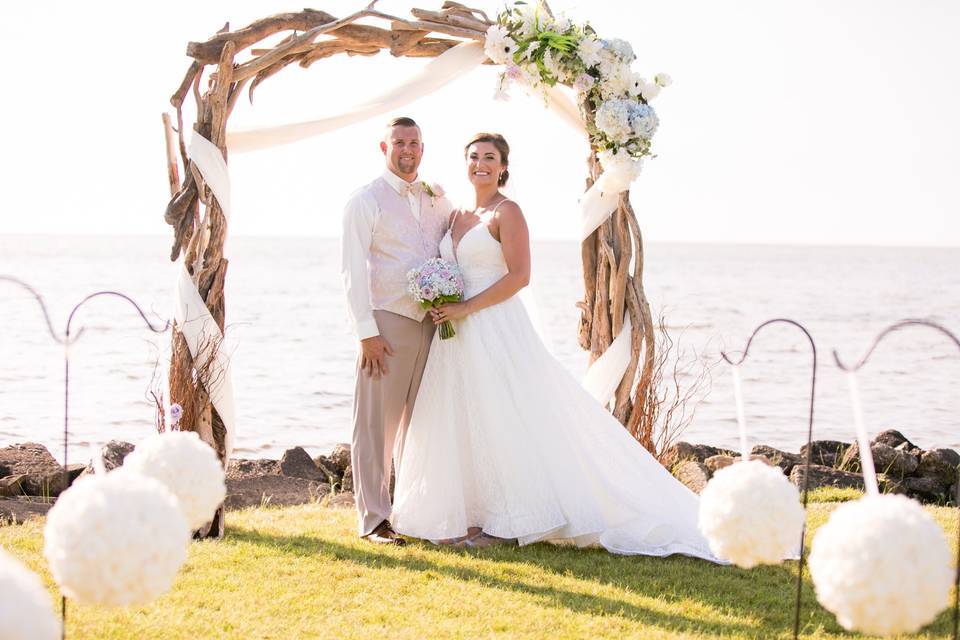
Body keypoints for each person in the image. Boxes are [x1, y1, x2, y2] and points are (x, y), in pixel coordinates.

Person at [391, 132, 721, 561]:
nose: (481, 165)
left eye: (490, 158)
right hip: (454, 335)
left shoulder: (507, 212)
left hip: (493, 325)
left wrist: (466, 307)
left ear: (503, 166)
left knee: (505, 418)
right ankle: (470, 514)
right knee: (465, 419)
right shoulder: (456, 217)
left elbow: (518, 277)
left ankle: (512, 518)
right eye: (473, 157)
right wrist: (442, 300)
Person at [340, 116, 453, 545]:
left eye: (415, 143)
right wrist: (365, 331)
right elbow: (350, 270)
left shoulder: (438, 198)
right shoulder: (365, 200)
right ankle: (373, 520)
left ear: (423, 149)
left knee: (423, 424)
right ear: (384, 148)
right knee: (376, 426)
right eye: (399, 142)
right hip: (386, 324)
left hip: (434, 328)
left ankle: (412, 511)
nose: (407, 149)